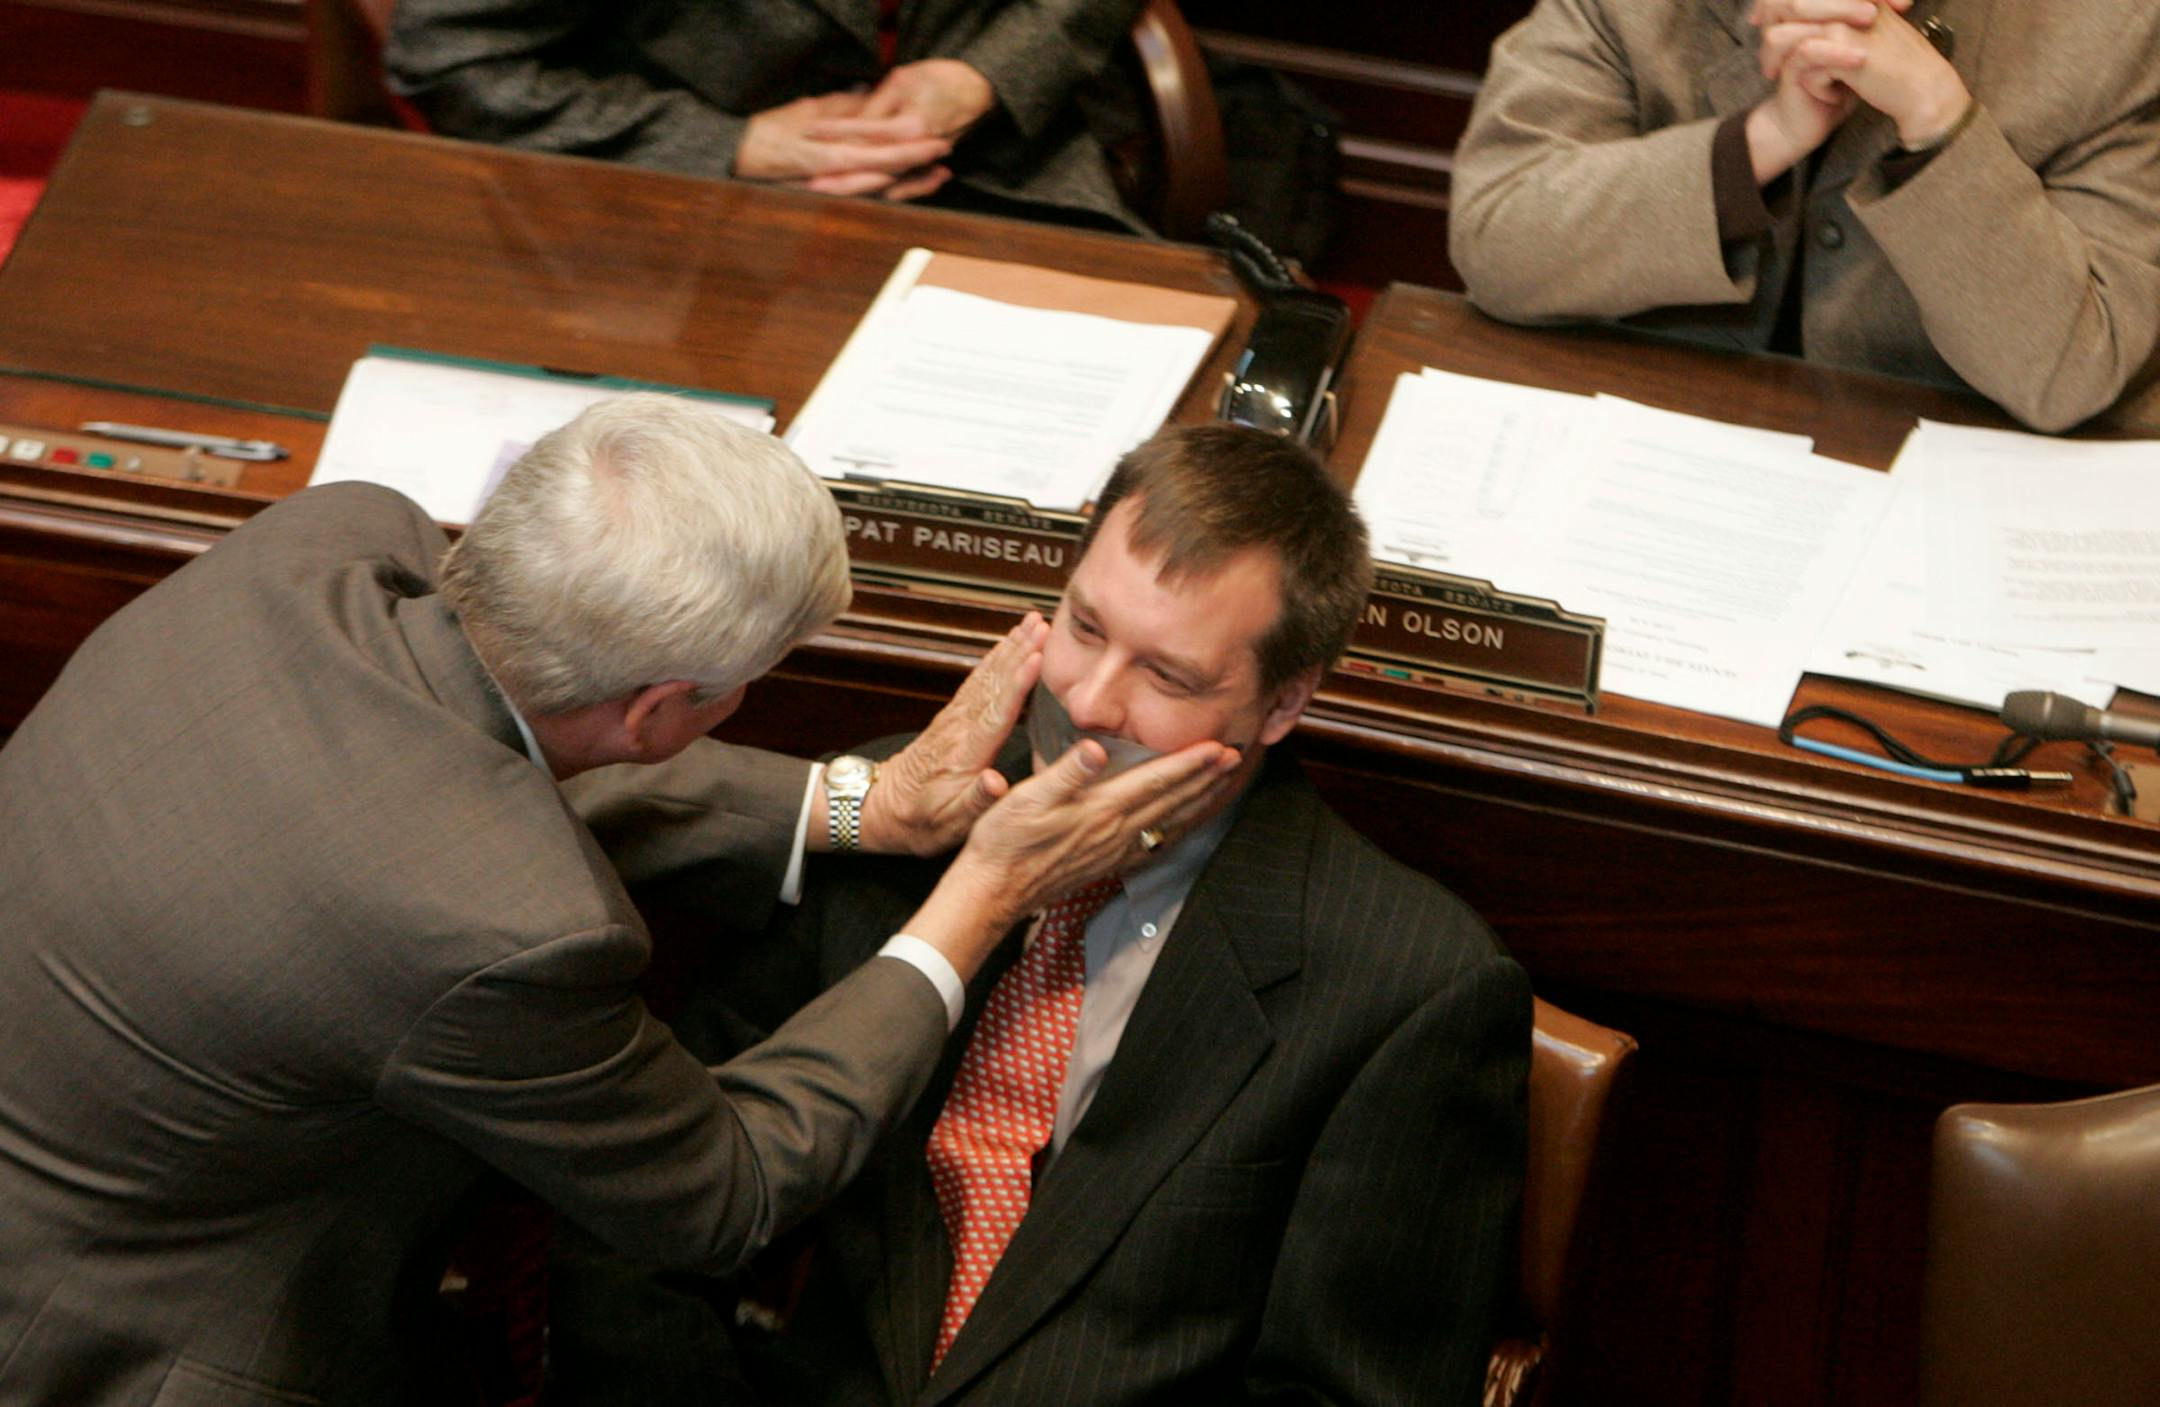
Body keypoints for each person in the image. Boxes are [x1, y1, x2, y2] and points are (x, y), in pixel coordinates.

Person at [0, 394, 1236, 1405]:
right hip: (121, 1342)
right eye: (747, 682)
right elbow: (725, 1190)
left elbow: (434, 785)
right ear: (660, 715)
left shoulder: (329, 542)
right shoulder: (507, 935)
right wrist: (981, 893)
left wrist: (868, 807)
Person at [551, 423, 1533, 1405]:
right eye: (1086, 627)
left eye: (1168, 676)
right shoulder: (912, 822)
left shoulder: (1407, 990)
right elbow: (660, 1202)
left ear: (1281, 705)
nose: (1088, 700)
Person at [1448, 0, 2160, 432]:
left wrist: (1938, 120)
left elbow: (2071, 371)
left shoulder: (2109, 30)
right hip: (1652, 451)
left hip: (1953, 504)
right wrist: (1764, 140)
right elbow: (1498, 236)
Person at [383, 0, 1151, 232]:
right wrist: (734, 144)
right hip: (689, 217)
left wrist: (987, 73)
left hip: (1008, 179)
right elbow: (450, 56)